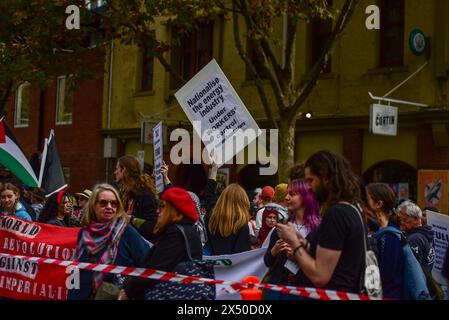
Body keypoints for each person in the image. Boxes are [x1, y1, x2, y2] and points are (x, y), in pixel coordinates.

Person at [276, 151, 365, 294]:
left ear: (326, 178)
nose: (309, 187)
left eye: (311, 180)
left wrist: (294, 243)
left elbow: (320, 276)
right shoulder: (353, 208)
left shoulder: (336, 214)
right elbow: (336, 256)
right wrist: (303, 242)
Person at [68, 183, 150, 300]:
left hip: (111, 295)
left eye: (114, 203)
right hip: (82, 294)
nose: (109, 207)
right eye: (103, 203)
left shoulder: (126, 231)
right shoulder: (85, 232)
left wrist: (129, 291)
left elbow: (147, 264)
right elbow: (75, 268)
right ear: (93, 206)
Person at [121, 187, 202, 300]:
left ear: (173, 210)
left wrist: (128, 291)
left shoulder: (175, 234)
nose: (157, 211)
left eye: (162, 206)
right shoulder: (181, 230)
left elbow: (156, 271)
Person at [263, 179, 321, 300]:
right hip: (277, 289)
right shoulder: (282, 227)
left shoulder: (318, 229)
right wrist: (274, 250)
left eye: (292, 194)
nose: (287, 198)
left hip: (304, 290)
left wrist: (298, 256)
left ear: (305, 197)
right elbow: (267, 261)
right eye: (287, 194)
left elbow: (322, 265)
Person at [367, 183, 404, 300]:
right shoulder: (380, 232)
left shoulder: (389, 237)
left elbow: (386, 276)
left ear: (378, 204)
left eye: (366, 199)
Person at [114, 155, 158, 242]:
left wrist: (132, 219)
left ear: (124, 170)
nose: (115, 172)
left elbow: (153, 226)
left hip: (142, 246)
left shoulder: (145, 194)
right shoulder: (124, 193)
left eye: (117, 168)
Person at [206, 183, 251, 255]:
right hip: (232, 265)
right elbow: (243, 255)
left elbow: (209, 197)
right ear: (242, 202)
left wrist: (211, 180)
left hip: (212, 263)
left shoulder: (211, 218)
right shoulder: (242, 225)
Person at [398, 200, 435, 273]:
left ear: (415, 219)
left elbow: (412, 269)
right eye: (400, 220)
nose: (402, 223)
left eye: (405, 220)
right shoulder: (426, 234)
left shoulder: (415, 239)